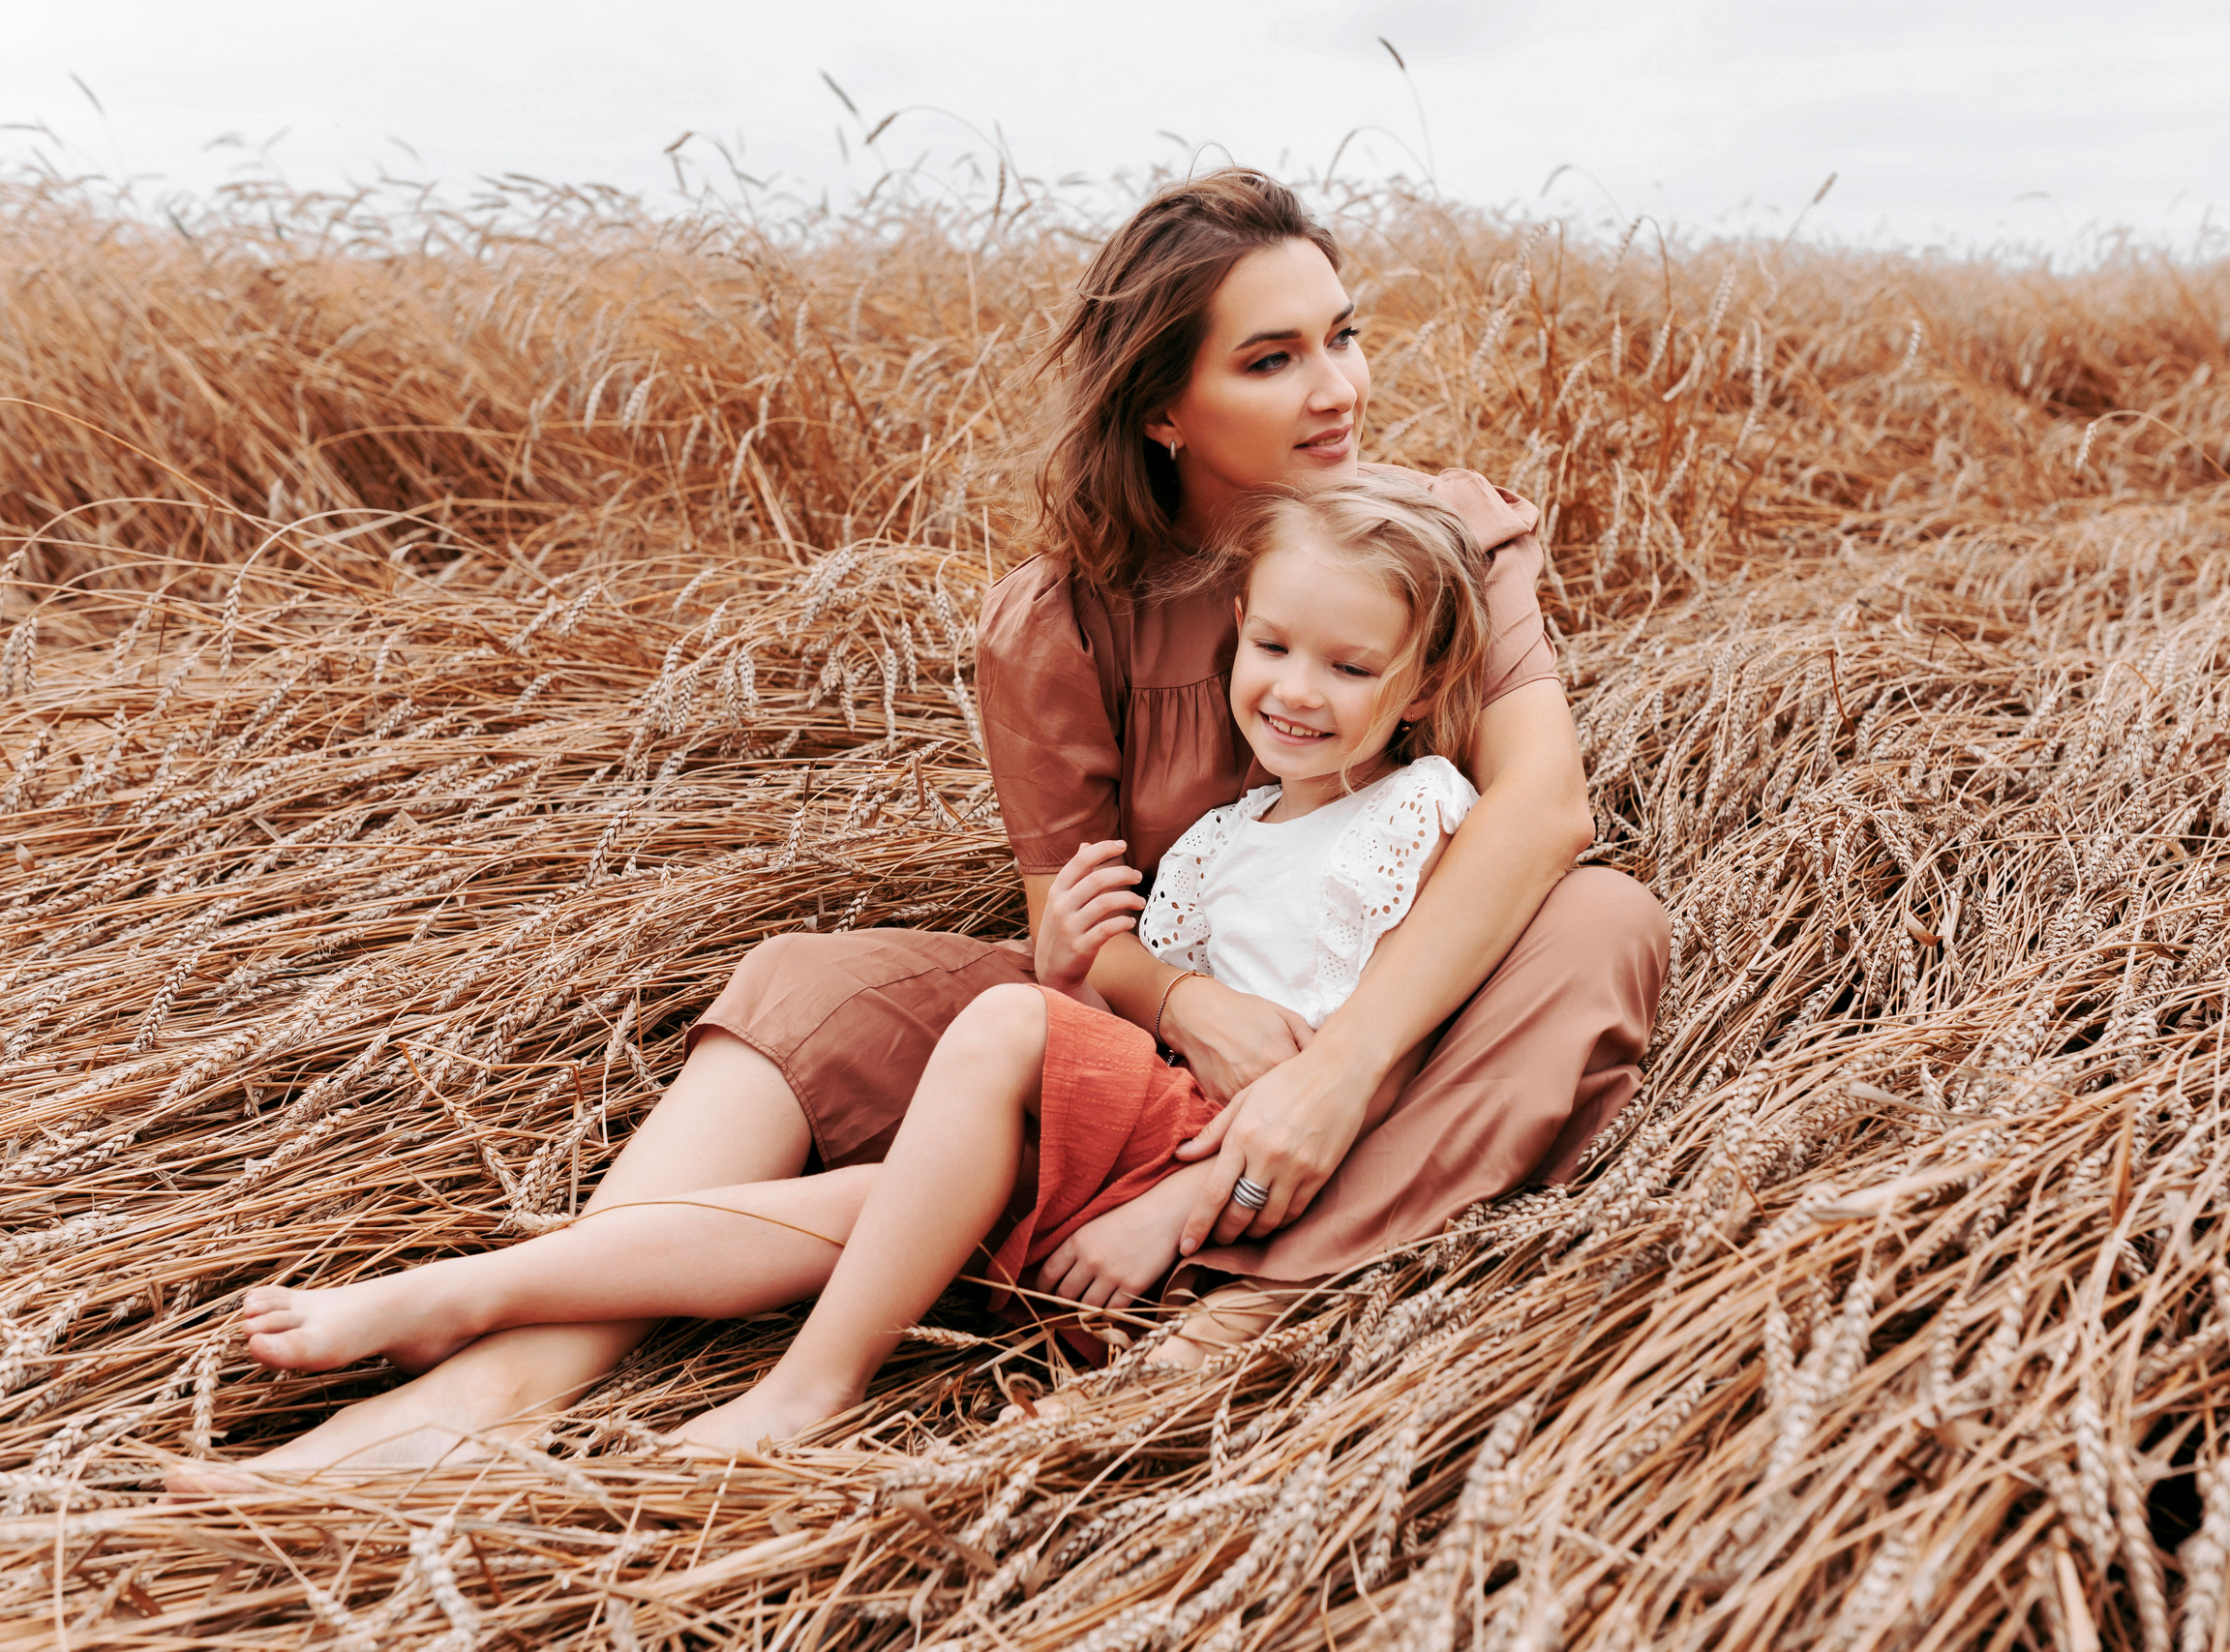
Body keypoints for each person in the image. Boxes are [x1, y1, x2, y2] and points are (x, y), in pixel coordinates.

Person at [166, 166, 1669, 1488]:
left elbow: (1543, 808)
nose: (1336, 387)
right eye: (1272, 358)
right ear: (1164, 406)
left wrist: (1330, 1074)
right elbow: (1068, 936)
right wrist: (1162, 991)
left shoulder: (1444, 537)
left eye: (1342, 334)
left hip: (1387, 1031)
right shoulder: (1061, 617)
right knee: (810, 985)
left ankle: (1244, 1308)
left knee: (1607, 920)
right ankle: (522, 1360)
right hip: (1157, 1040)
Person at [231, 476, 1504, 1450]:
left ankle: (808, 1388)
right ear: (1238, 624)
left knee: (1004, 1030)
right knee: (882, 1203)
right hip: (1132, 1140)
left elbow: (1389, 1053)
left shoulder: (1421, 811)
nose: (1295, 689)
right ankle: (472, 1303)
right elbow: (1142, 1026)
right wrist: (1075, 969)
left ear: (1426, 676)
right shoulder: (1230, 832)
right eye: (1273, 646)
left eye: (1349, 667)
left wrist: (1182, 1199)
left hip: (1204, 1178)